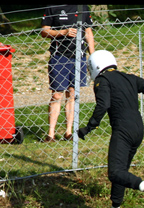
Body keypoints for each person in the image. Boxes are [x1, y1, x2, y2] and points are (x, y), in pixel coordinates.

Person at [77, 50, 144, 208]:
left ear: (96, 66)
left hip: (123, 130)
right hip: (138, 129)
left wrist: (89, 127)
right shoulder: (128, 77)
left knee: (115, 172)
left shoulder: (103, 81)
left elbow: (103, 105)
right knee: (121, 171)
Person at [40, 5, 95, 143]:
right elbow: (44, 31)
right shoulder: (53, 7)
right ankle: (51, 134)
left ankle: (69, 132)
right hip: (59, 56)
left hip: (79, 57)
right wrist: (63, 32)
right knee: (57, 94)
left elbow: (88, 32)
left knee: (72, 93)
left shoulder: (82, 7)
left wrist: (92, 56)